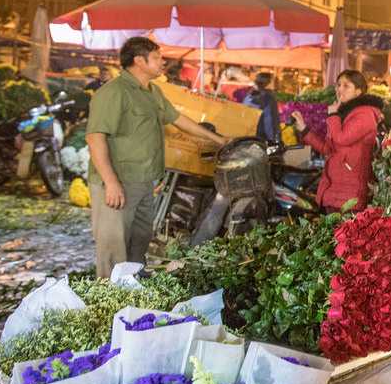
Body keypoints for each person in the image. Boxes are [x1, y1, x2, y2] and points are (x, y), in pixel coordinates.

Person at [86, 37, 227, 279]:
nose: (162, 62)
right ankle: (108, 303)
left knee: (138, 244)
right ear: (139, 61)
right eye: (157, 57)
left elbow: (177, 119)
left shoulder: (152, 91)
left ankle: (133, 296)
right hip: (117, 181)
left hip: (143, 182)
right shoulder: (113, 92)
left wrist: (220, 141)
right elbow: (95, 137)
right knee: (113, 248)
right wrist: (110, 182)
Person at [291, 69, 382, 211]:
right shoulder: (344, 113)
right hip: (335, 187)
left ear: (358, 91)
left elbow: (341, 139)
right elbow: (328, 148)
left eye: (346, 86)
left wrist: (333, 115)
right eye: (338, 85)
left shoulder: (365, 114)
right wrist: (304, 129)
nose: (340, 89)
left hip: (350, 192)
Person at [243, 72, 282, 144]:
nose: (277, 84)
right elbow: (270, 122)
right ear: (268, 83)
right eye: (274, 81)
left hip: (247, 138)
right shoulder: (268, 98)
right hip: (262, 140)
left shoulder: (248, 96)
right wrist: (274, 141)